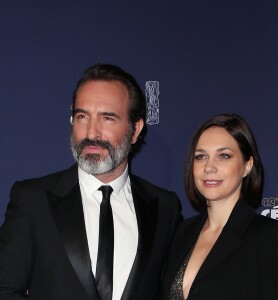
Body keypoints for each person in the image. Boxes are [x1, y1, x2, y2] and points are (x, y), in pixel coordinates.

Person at [0, 64, 182, 300]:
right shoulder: (32, 199)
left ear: (135, 130)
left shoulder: (165, 207)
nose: (92, 133)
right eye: (82, 116)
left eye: (108, 118)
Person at [159, 114, 278, 300]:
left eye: (224, 156)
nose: (209, 167)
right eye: (201, 156)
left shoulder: (271, 237)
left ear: (247, 165)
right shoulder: (181, 233)